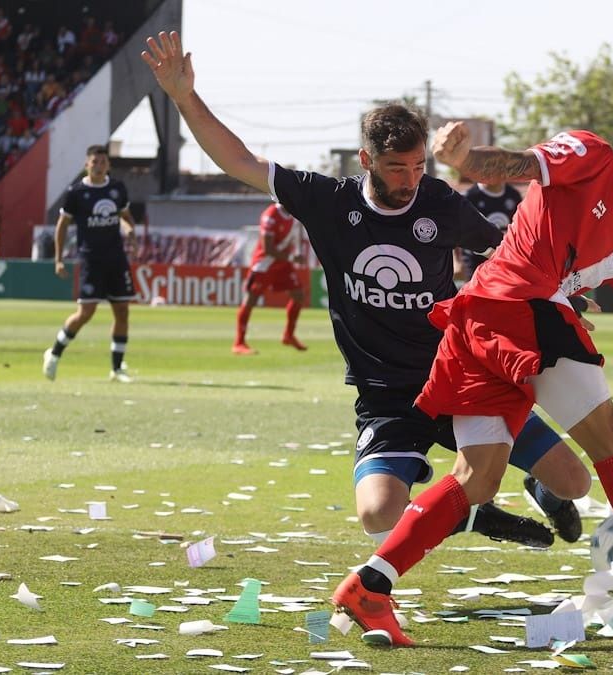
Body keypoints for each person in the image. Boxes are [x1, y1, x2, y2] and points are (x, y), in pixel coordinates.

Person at [325, 111, 613, 646]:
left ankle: (369, 587)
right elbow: (519, 165)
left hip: (481, 325)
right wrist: (465, 161)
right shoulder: (594, 157)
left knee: (477, 480)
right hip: (515, 310)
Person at [141, 31, 588, 552]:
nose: (411, 178)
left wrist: (562, 295)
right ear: (366, 159)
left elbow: (509, 252)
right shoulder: (327, 201)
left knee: (574, 482)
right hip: (386, 395)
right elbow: (238, 161)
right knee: (378, 515)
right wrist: (182, 97)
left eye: (420, 165)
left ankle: (540, 492)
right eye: (398, 167)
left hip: (461, 379)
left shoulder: (440, 203)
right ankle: (472, 516)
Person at [43, 145, 137, 382]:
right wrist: (58, 259)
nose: (98, 165)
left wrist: (129, 231)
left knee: (122, 311)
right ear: (87, 164)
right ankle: (54, 354)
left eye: (103, 162)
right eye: (94, 162)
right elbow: (62, 225)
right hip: (90, 258)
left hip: (116, 258)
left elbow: (125, 219)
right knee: (86, 312)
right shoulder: (76, 193)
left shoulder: (117, 189)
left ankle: (116, 369)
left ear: (109, 165)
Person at [233, 202, 308, 354]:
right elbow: (268, 249)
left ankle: (288, 335)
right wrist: (293, 258)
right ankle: (239, 343)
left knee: (299, 295)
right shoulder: (271, 216)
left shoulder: (294, 215)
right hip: (264, 264)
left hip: (283, 265)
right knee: (250, 300)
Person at [453, 180, 522, 280]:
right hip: (475, 262)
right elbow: (455, 231)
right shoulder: (468, 197)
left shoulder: (514, 195)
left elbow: (519, 228)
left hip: (504, 261)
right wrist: (457, 262)